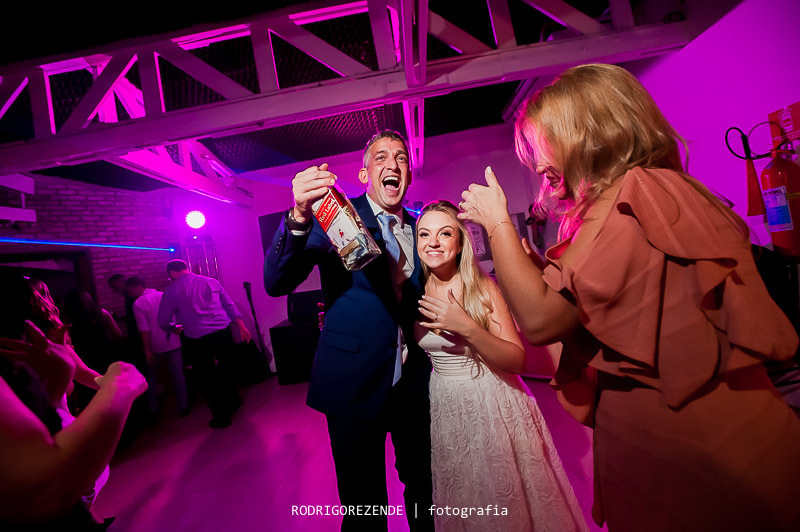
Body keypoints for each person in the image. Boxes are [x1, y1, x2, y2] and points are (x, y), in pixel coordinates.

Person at [458, 63, 800, 531]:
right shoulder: (636, 192)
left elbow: (541, 319)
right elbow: (595, 309)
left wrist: (496, 221)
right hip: (674, 453)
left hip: (705, 457)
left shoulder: (634, 193)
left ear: (588, 133)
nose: (538, 165)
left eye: (543, 145)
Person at [264, 130, 434, 531]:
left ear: (409, 173)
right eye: (380, 158)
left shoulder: (423, 225)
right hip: (352, 382)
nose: (392, 164)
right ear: (364, 174)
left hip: (414, 383)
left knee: (424, 491)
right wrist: (299, 216)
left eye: (401, 158)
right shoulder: (333, 218)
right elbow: (275, 282)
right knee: (363, 504)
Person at [414, 200, 587, 531]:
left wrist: (466, 326)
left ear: (461, 241)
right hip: (447, 408)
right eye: (424, 234)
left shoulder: (482, 288)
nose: (433, 242)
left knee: (502, 504)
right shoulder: (414, 292)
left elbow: (516, 358)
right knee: (466, 499)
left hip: (490, 404)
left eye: (445, 233)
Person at [0, 272, 147, 529]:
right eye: (39, 295)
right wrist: (119, 388)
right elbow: (48, 482)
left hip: (66, 431)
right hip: (57, 449)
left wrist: (107, 382)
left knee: (80, 503)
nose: (47, 301)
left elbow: (85, 374)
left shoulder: (48, 342)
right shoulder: (11, 355)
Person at [157, 259, 251, 428]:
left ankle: (221, 417)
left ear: (171, 273)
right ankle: (233, 401)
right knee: (226, 367)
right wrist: (242, 327)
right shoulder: (211, 281)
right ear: (186, 268)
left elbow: (163, 319)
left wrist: (174, 328)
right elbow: (229, 306)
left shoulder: (171, 290)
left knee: (206, 376)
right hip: (222, 331)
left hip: (196, 337)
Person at [126, 276, 189, 419]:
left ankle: (153, 409)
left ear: (137, 287)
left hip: (155, 344)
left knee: (151, 376)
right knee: (178, 375)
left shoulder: (139, 303)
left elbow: (144, 329)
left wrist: (146, 350)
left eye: (130, 290)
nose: (129, 294)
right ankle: (184, 407)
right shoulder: (164, 295)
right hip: (173, 341)